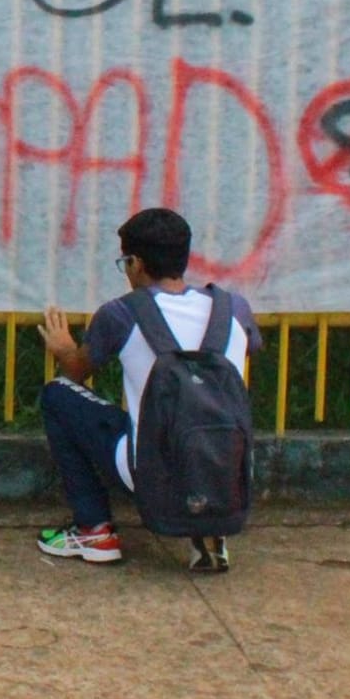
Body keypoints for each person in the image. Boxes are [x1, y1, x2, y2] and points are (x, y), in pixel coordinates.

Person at [36, 208, 261, 573]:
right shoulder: (234, 308)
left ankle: (93, 529)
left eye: (125, 262)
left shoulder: (122, 314)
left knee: (58, 395)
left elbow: (77, 372)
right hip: (225, 476)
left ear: (136, 263)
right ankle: (208, 532)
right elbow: (251, 347)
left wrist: (63, 348)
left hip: (151, 476)